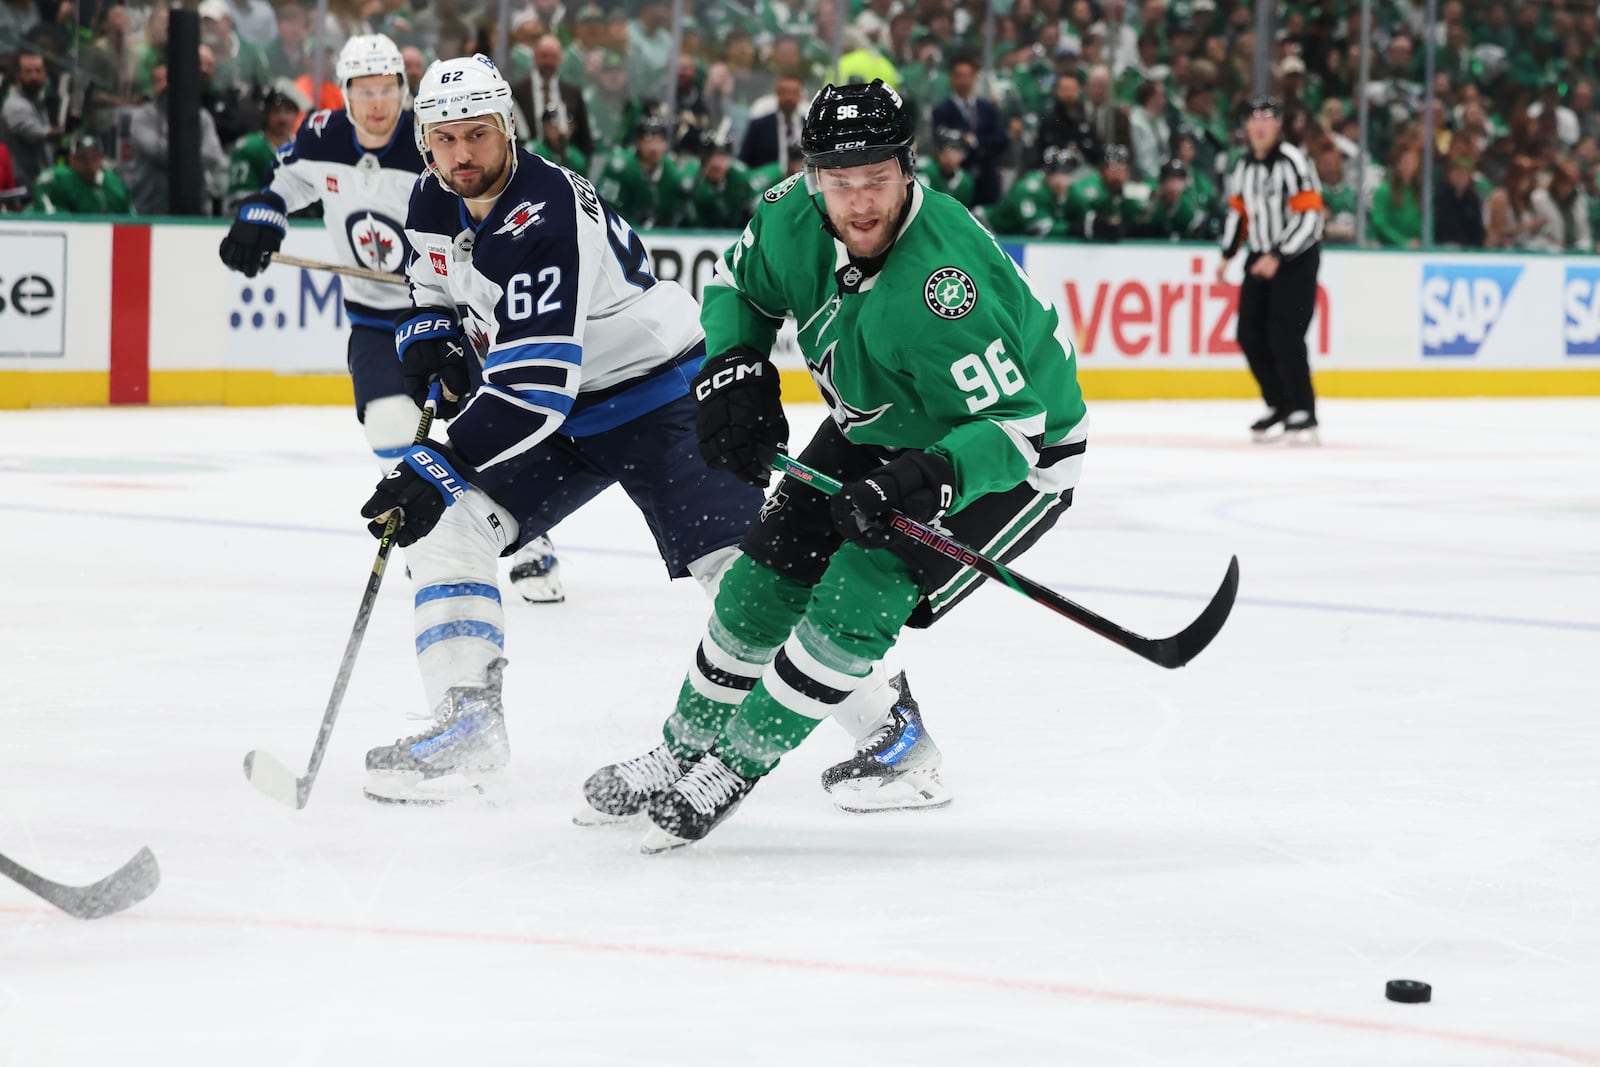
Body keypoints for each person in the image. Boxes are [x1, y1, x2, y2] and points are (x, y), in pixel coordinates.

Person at [358, 57, 944, 810]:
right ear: (425, 144)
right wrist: (427, 335)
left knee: (745, 578)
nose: (462, 154)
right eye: (445, 139)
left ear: (508, 128)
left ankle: (893, 728)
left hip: (661, 399)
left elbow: (536, 387)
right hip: (566, 414)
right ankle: (467, 721)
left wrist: (437, 459)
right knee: (446, 530)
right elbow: (431, 284)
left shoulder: (542, 214)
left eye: (478, 134)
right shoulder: (433, 199)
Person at [580, 79, 1087, 852]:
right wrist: (737, 367)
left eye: (878, 179)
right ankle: (681, 748)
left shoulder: (942, 286)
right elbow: (733, 288)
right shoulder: (790, 215)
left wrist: (922, 480)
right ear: (812, 175)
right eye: (840, 182)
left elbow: (1014, 429)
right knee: (757, 583)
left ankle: (734, 767)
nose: (859, 202)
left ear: (908, 169)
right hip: (877, 423)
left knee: (860, 588)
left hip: (1006, 455)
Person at [216, 35, 565, 604]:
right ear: (345, 94)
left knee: (492, 420)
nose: (378, 103)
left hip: (450, 315)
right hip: (375, 319)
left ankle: (530, 538)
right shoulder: (322, 135)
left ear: (404, 92)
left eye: (388, 89)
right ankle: (429, 526)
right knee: (385, 423)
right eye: (364, 90)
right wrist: (263, 215)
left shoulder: (432, 143)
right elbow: (287, 181)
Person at [1216, 95, 1324, 445]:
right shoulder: (1243, 167)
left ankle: (1303, 407)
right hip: (1260, 255)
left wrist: (1279, 253)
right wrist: (1227, 254)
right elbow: (1239, 213)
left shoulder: (1294, 161)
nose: (1259, 126)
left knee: (1285, 333)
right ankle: (1279, 402)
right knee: (1248, 333)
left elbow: (1311, 215)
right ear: (1247, 128)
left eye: (1267, 119)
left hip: (1295, 257)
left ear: (1278, 125)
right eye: (1253, 120)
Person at [224, 87, 299, 211]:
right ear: (266, 114)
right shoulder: (249, 147)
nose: (282, 118)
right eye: (276, 111)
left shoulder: (304, 149)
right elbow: (240, 197)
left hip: (304, 224)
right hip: (259, 219)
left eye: (288, 111)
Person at [30, 134, 132, 214]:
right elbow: (53, 219)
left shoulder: (114, 183)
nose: (89, 163)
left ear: (101, 159)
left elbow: (130, 220)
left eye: (94, 158)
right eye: (83, 158)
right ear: (72, 159)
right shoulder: (58, 179)